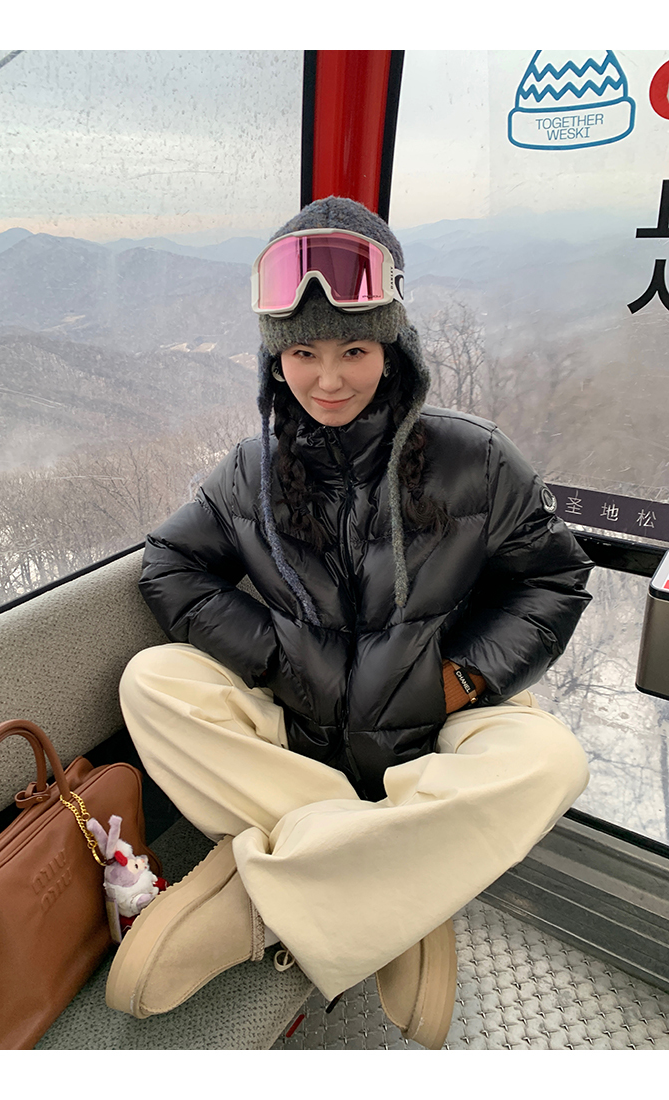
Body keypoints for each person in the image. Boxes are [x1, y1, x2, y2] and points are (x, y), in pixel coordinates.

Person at [107, 197, 592, 1048]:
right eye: (303, 353)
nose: (328, 380)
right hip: (300, 731)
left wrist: (462, 679)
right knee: (152, 682)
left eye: (354, 351)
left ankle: (266, 907)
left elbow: (553, 578)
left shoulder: (474, 459)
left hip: (433, 732)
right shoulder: (251, 472)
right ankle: (388, 881)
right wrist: (277, 661)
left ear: (392, 349)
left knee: (553, 759)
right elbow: (169, 564)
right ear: (276, 360)